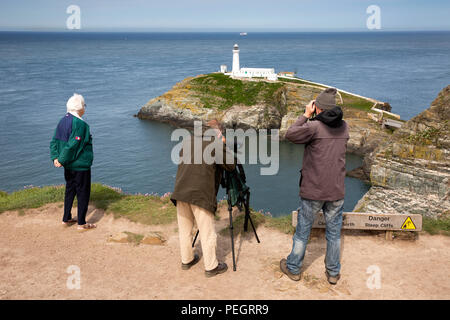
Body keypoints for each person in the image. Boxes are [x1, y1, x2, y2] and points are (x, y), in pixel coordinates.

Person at [280, 87, 349, 285]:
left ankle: (293, 268)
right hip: (336, 190)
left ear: (317, 108)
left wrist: (305, 115)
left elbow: (291, 134)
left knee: (303, 231)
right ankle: (333, 273)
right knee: (334, 233)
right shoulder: (345, 127)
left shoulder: (313, 127)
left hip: (313, 190)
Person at [171, 120, 235, 277]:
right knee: (207, 232)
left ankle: (187, 260)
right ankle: (211, 267)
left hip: (180, 191)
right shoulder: (215, 143)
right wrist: (223, 145)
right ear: (218, 133)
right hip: (200, 194)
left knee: (184, 230)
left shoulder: (187, 140)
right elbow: (231, 164)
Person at [50, 93, 95, 231]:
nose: (85, 108)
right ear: (80, 107)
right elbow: (73, 145)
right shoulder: (80, 124)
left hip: (68, 165)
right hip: (80, 164)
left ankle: (66, 218)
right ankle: (81, 223)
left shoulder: (63, 120)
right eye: (84, 105)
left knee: (70, 189)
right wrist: (61, 159)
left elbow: (54, 141)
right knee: (83, 192)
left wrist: (56, 158)